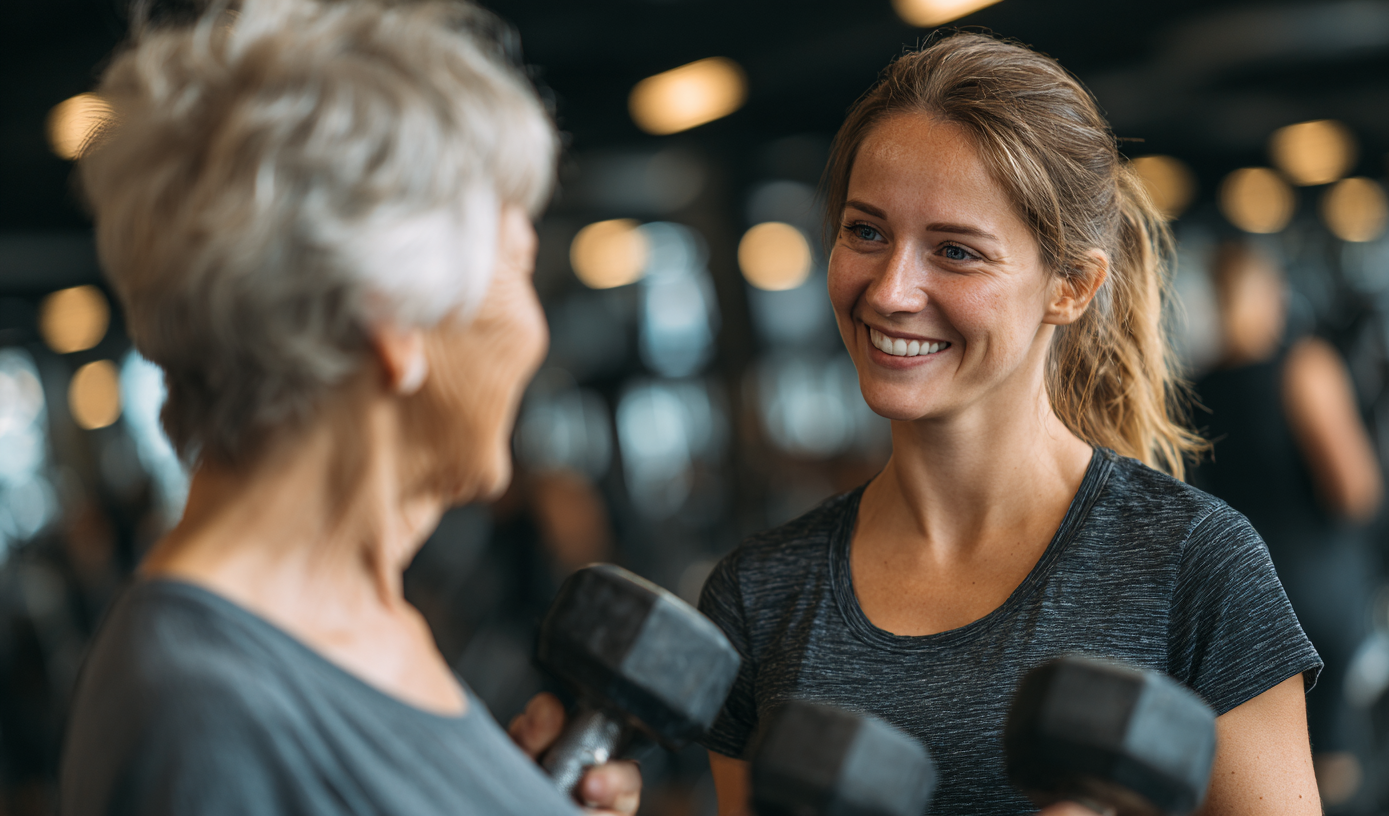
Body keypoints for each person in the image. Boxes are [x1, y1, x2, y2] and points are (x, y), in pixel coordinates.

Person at [699, 33, 1323, 816]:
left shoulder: (1194, 568)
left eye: (956, 251)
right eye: (866, 232)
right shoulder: (758, 598)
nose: (891, 291)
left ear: (1071, 286)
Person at [58, 1, 640, 814]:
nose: (536, 336)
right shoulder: (203, 710)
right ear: (394, 319)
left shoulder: (365, 620)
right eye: (519, 265)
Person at [1193, 242, 1383, 807]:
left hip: (1233, 598)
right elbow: (1355, 491)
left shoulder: (1192, 388)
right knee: (1330, 763)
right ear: (1265, 294)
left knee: (1254, 768)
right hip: (1313, 589)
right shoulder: (1303, 365)